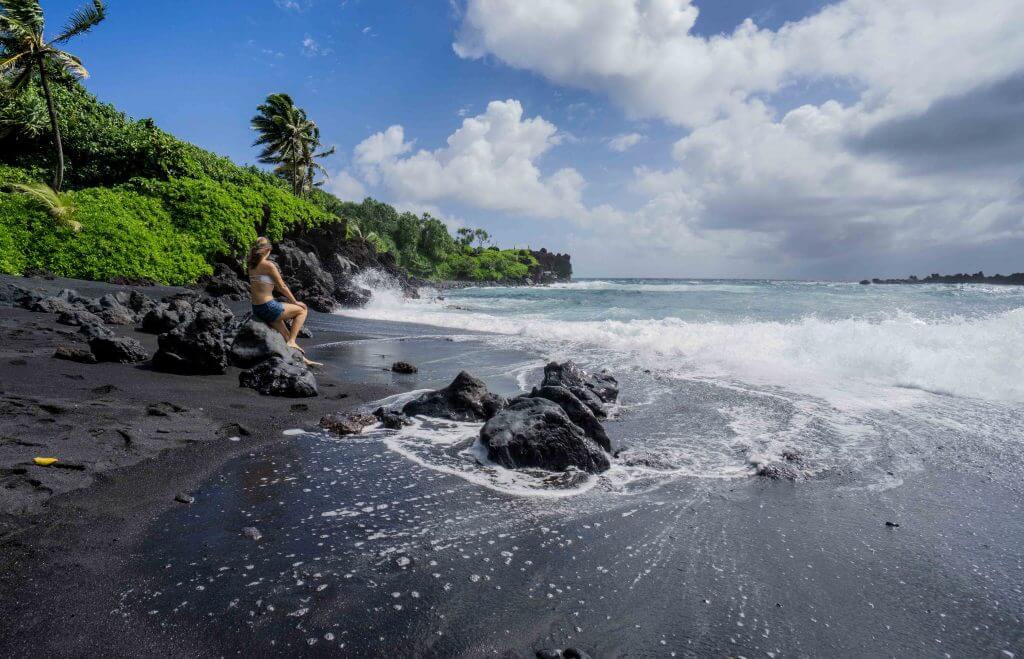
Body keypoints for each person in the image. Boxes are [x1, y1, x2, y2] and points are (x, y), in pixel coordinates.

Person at [247, 237, 321, 366]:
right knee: (302, 310)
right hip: (268, 308)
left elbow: (264, 285)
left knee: (285, 334)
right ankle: (292, 341)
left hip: (257, 309)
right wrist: (294, 302)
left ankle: (303, 360)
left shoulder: (251, 265)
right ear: (267, 250)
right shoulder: (269, 265)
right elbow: (282, 287)